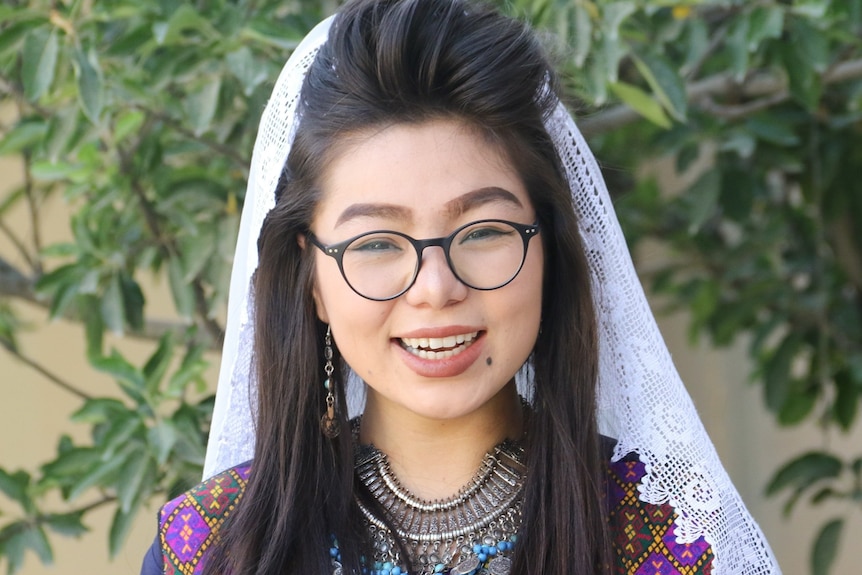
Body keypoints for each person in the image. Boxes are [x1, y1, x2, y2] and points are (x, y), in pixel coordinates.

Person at [141, 0, 781, 574]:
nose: (435, 288)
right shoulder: (211, 548)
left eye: (481, 232)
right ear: (312, 279)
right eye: (376, 244)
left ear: (548, 250)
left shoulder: (670, 537)